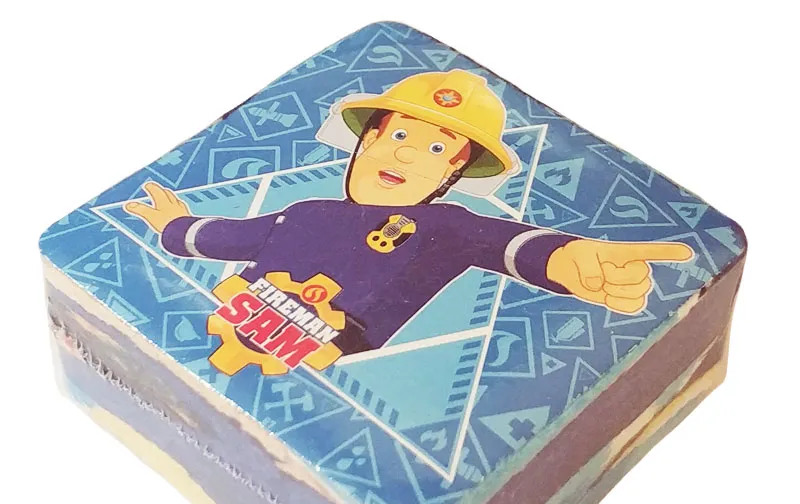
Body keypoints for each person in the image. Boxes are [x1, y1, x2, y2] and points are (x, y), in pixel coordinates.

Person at [126, 69, 691, 355]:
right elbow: (230, 237)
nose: (405, 154)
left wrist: (565, 259)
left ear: (452, 175)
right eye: (397, 135)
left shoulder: (445, 227)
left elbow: (505, 243)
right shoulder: (303, 212)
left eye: (437, 148)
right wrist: (174, 226)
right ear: (367, 141)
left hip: (325, 357)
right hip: (232, 325)